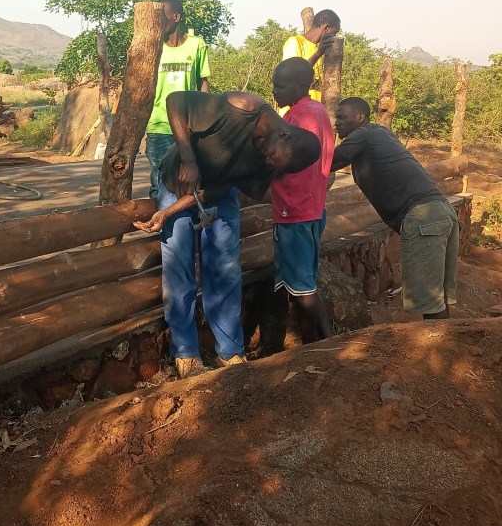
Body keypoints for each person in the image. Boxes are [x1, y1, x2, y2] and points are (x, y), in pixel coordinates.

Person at [135, 90, 321, 378]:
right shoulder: (241, 107)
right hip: (176, 183)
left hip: (217, 195)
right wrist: (189, 160)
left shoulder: (276, 158)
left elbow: (223, 189)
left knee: (224, 269)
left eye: (274, 164)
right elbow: (175, 101)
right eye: (271, 156)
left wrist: (171, 212)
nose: (268, 163)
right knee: (179, 267)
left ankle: (230, 349)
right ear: (283, 135)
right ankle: (185, 352)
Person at [331, 97, 459, 319]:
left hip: (422, 219)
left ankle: (436, 349)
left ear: (360, 117)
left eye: (342, 117)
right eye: (336, 118)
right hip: (441, 212)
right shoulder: (381, 133)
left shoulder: (362, 134)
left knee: (429, 303)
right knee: (437, 301)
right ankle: (445, 347)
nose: (336, 123)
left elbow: (331, 161)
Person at [267, 58, 335, 350]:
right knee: (304, 280)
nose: (275, 91)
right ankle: (327, 341)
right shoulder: (318, 111)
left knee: (302, 289)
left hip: (292, 210)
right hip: (312, 206)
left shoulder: (294, 119)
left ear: (300, 86)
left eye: (280, 86)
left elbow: (278, 161)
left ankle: (312, 350)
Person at [145, 0, 210, 198]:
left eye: (162, 18)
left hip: (189, 126)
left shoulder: (196, 45)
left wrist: (205, 119)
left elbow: (202, 83)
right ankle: (162, 227)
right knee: (160, 184)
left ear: (176, 16)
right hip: (159, 124)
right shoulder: (152, 48)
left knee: (190, 179)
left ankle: (187, 227)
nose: (158, 24)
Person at [279, 9, 341, 111]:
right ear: (326, 28)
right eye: (334, 32)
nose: (334, 37)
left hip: (312, 113)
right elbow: (292, 74)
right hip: (295, 114)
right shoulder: (295, 42)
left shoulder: (318, 48)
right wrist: (318, 54)